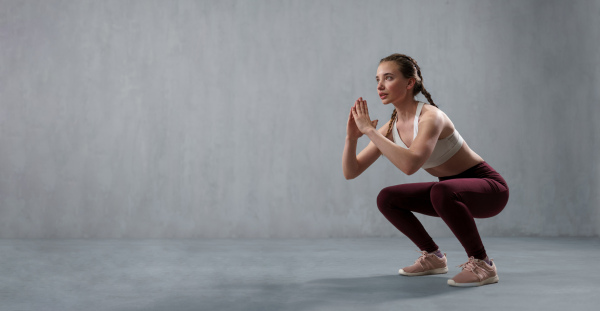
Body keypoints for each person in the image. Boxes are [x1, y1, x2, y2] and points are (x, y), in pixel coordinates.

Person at [342, 53, 509, 287]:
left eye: (388, 78)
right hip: (449, 194)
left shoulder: (431, 117)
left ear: (410, 83)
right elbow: (351, 171)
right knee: (387, 198)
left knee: (442, 191)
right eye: (377, 79)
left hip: (490, 190)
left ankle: (483, 264)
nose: (380, 85)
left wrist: (369, 131)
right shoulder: (391, 127)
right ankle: (434, 258)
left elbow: (410, 165)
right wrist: (351, 138)